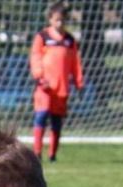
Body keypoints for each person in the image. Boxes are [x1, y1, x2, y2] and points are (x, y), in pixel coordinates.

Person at [29, 2, 84, 162]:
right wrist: (39, 75)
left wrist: (79, 82)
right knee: (41, 115)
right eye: (57, 20)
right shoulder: (42, 37)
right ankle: (37, 152)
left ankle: (52, 154)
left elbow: (75, 63)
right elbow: (35, 57)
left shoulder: (69, 40)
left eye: (62, 20)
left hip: (61, 88)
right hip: (44, 86)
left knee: (56, 121)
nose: (60, 23)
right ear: (50, 20)